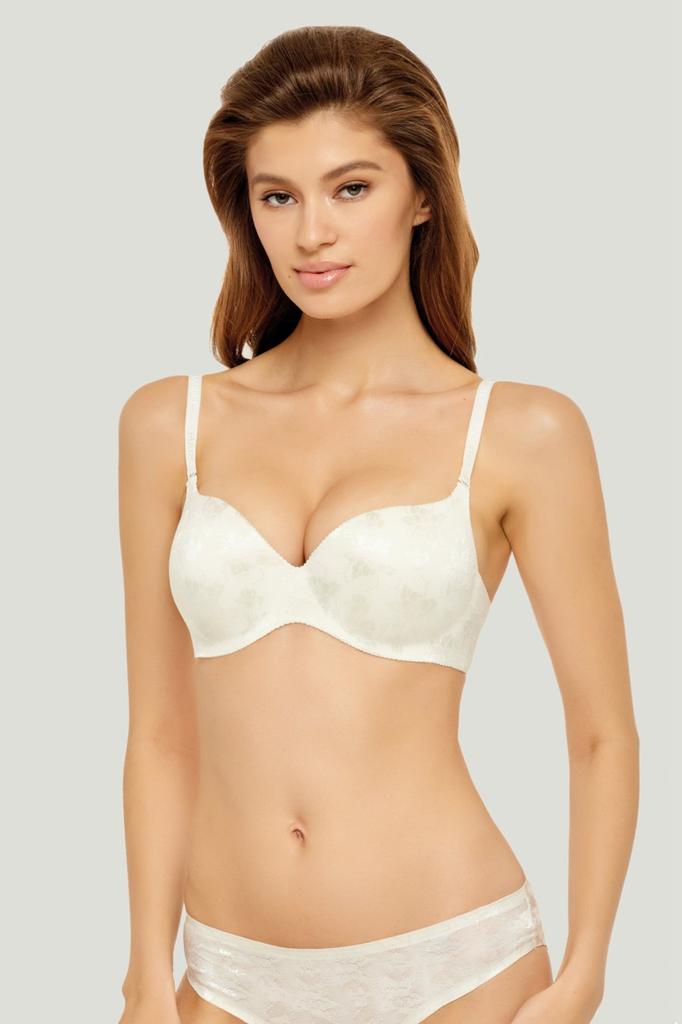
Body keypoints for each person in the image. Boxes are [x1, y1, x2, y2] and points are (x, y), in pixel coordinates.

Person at [117, 25, 639, 1024]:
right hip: (223, 975)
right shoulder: (167, 426)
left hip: (458, 966)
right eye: (277, 196)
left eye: (351, 188)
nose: (311, 232)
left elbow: (601, 733)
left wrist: (583, 976)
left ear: (423, 195)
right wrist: (146, 971)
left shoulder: (521, 433)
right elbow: (160, 733)